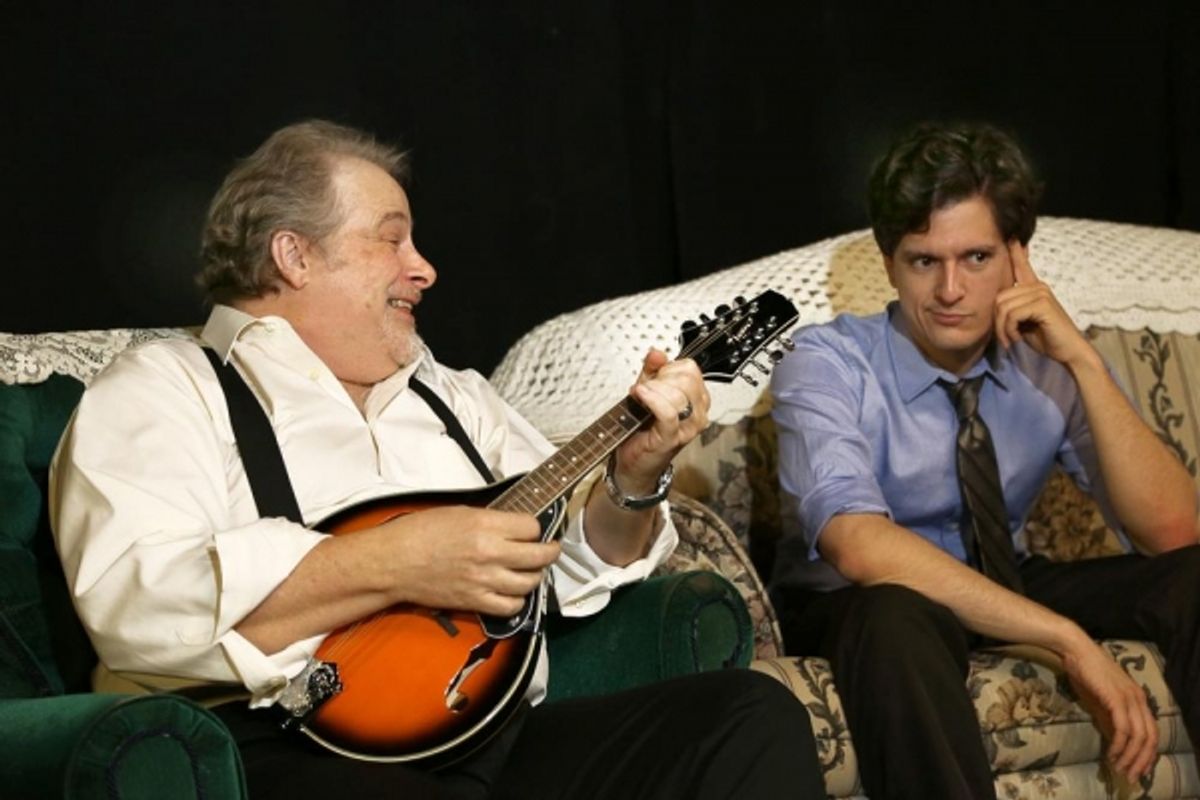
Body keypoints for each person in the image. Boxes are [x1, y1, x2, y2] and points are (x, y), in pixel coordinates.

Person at [50, 120, 824, 799]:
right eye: (392, 239)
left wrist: (635, 474)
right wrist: (394, 561)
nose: (424, 268)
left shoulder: (455, 395)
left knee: (748, 716)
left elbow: (569, 569)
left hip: (496, 733)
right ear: (294, 255)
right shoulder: (164, 388)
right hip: (287, 744)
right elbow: (136, 606)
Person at [768, 120, 1200, 799]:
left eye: (975, 258)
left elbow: (1176, 533)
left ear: (1016, 257)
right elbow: (856, 545)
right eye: (923, 260)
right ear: (888, 263)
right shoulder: (824, 362)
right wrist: (1066, 639)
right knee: (893, 613)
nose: (949, 290)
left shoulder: (1043, 360)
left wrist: (1082, 360)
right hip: (862, 604)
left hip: (1002, 578)